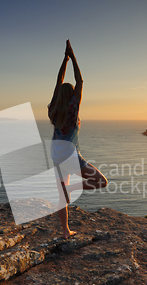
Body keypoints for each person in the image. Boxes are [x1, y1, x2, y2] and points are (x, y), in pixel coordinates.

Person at [48, 40, 108, 239]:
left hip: (56, 156)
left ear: (58, 96)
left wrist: (63, 61)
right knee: (101, 181)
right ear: (71, 95)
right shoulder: (73, 110)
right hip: (71, 157)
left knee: (61, 196)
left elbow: (58, 82)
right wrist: (72, 56)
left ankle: (65, 231)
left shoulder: (53, 110)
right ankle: (73, 187)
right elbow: (80, 81)